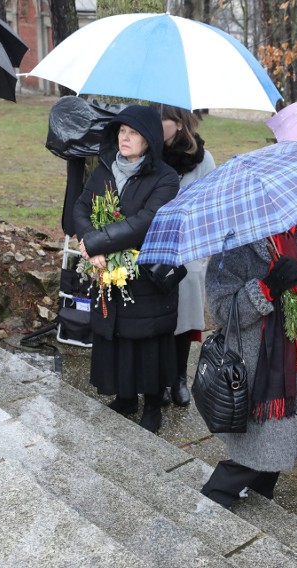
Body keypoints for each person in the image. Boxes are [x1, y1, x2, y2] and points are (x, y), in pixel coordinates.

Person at [200, 218, 297, 509]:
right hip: (255, 371)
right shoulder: (236, 244)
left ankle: (258, 494)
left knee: (276, 444)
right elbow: (221, 310)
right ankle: (216, 495)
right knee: (265, 444)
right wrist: (266, 289)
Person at [73, 105, 180, 433]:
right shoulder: (104, 168)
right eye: (121, 131)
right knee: (115, 332)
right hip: (107, 268)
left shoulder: (165, 177)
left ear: (148, 140)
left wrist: (96, 244)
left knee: (146, 339)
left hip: (145, 272)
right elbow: (81, 205)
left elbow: (145, 221)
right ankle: (125, 396)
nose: (125, 138)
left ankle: (151, 405)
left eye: (133, 133)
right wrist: (90, 244)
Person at [155, 103, 217, 407]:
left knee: (184, 314)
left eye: (164, 118)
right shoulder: (148, 152)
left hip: (188, 248)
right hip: (152, 245)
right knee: (156, 314)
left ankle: (178, 377)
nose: (158, 122)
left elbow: (211, 205)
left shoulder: (203, 160)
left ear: (179, 123)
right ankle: (159, 378)